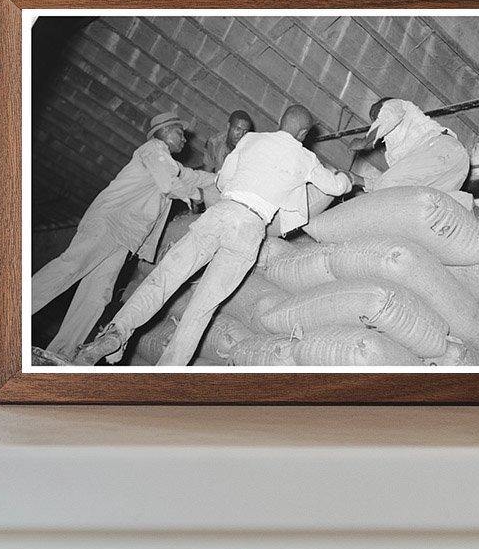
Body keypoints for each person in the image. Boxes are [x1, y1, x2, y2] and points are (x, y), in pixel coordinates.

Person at [73, 104, 353, 367]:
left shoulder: (251, 141)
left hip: (221, 214)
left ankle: (115, 333)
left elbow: (222, 180)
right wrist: (346, 178)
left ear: (280, 121)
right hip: (250, 227)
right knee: (202, 308)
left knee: (164, 277)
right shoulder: (305, 158)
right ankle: (166, 372)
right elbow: (336, 187)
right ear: (304, 134)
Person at [30, 111, 215, 356]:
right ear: (165, 132)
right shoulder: (153, 149)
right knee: (70, 267)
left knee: (98, 296)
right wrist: (197, 196)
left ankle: (61, 353)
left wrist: (219, 179)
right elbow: (171, 185)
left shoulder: (167, 163)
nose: (184, 139)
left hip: (123, 236)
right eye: (180, 133)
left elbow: (189, 176)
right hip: (108, 223)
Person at [360, 97, 470, 192]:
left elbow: (390, 117)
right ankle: (471, 208)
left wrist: (364, 141)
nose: (375, 120)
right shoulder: (393, 150)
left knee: (386, 186)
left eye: (375, 114)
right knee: (426, 201)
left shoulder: (395, 104)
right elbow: (396, 183)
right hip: (455, 168)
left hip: (439, 149)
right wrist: (356, 180)